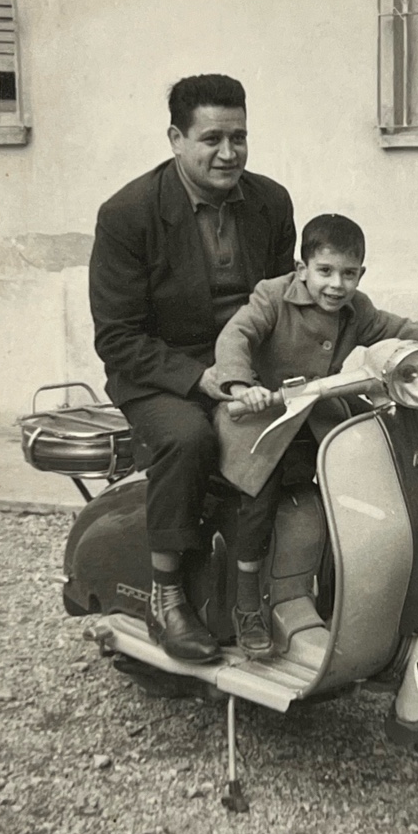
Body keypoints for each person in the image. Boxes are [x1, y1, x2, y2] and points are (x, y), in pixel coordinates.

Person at [213, 213, 418, 658]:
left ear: (361, 274)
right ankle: (248, 603)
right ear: (302, 269)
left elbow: (400, 329)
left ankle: (345, 595)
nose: (336, 284)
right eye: (325, 271)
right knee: (261, 500)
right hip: (262, 423)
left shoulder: (357, 309)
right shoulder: (271, 296)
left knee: (368, 483)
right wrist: (240, 385)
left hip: (316, 419)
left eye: (348, 274)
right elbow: (237, 333)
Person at [88, 74, 296, 663]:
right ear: (176, 138)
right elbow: (118, 337)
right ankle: (166, 595)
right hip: (159, 372)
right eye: (211, 139)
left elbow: (284, 300)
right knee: (188, 437)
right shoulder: (128, 214)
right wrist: (199, 378)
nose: (229, 153)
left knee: (334, 426)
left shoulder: (271, 201)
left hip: (247, 363)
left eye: (240, 137)